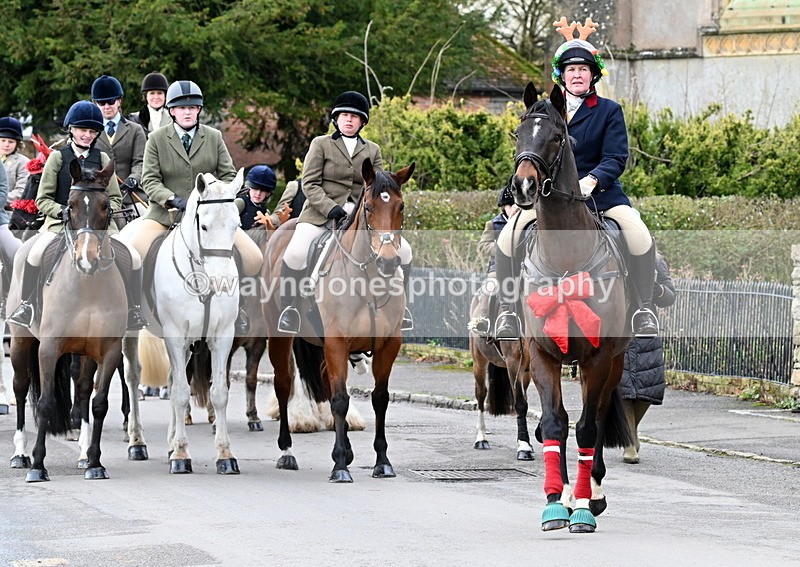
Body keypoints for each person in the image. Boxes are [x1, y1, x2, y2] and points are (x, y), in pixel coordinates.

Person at [494, 17, 659, 340]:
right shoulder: (544, 113)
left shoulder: (609, 111)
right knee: (507, 240)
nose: (577, 75)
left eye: (583, 69)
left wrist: (593, 180)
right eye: (571, 70)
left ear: (593, 75)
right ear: (562, 76)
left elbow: (616, 157)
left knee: (639, 235)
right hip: (549, 198)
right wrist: (518, 191)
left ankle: (643, 309)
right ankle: (509, 313)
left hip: (600, 196)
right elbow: (529, 154)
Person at [120, 80, 262, 334]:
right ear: (171, 111)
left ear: (199, 110)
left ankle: (237, 308)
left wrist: (219, 197)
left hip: (210, 217)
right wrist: (173, 199)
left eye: (193, 107)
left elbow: (229, 175)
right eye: (181, 108)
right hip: (166, 215)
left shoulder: (214, 137)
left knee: (253, 257)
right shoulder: (156, 138)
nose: (187, 112)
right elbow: (150, 179)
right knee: (133, 254)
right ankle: (135, 309)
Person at [276, 90, 413, 334]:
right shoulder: (321, 144)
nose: (349, 120)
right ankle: (290, 309)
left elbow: (380, 185)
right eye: (344, 115)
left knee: (405, 251)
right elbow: (309, 184)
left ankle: (404, 308)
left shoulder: (372, 149)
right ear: (336, 119)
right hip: (320, 213)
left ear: (362, 122)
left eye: (354, 117)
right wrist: (332, 209)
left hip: (360, 212)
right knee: (296, 252)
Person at [7, 100, 146, 330]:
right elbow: (42, 199)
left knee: (134, 257)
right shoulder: (58, 158)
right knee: (33, 253)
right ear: (71, 129)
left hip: (98, 226)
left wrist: (102, 214)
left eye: (92, 131)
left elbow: (115, 197)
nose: (87, 135)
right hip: (60, 223)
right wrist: (63, 211)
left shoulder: (102, 159)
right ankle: (27, 304)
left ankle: (133, 310)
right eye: (83, 130)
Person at [620, 252, 676, 464]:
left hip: (646, 329)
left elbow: (670, 295)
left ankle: (631, 430)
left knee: (649, 387)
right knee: (622, 388)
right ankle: (629, 442)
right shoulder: (612, 256)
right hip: (619, 328)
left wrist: (657, 291)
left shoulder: (656, 260)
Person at [91, 74, 147, 212]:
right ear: (94, 103)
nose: (107, 107)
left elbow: (141, 162)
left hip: (130, 198)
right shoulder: (89, 133)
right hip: (98, 197)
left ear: (119, 101)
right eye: (101, 103)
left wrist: (133, 179)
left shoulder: (136, 130)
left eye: (111, 101)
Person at [469, 181, 518, 336]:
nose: (515, 209)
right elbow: (482, 246)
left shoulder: (525, 224)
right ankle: (482, 318)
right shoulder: (494, 224)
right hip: (498, 268)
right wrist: (502, 248)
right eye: (511, 205)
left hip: (521, 267)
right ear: (504, 206)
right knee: (491, 286)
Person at [235, 164, 290, 230]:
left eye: (263, 191)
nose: (258, 193)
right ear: (249, 187)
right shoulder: (240, 203)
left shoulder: (266, 212)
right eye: (255, 188)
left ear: (268, 193)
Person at [128, 72, 172, 137]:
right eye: (152, 93)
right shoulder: (133, 119)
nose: (156, 97)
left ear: (165, 96)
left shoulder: (173, 117)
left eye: (159, 93)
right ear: (146, 96)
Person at [0, 116, 30, 205]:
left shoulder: (23, 162)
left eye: (11, 142)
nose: (6, 145)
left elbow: (21, 191)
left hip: (8, 211)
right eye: (3, 140)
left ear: (17, 144)